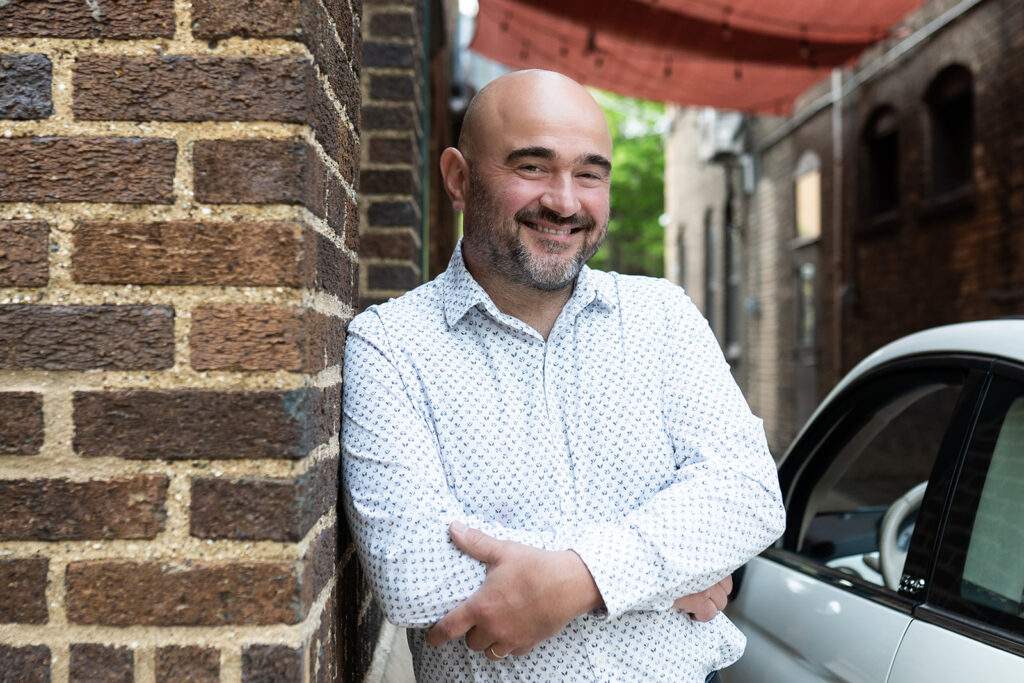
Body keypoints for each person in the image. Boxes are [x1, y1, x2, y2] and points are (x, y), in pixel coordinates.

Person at [342, 69, 786, 682]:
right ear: (459, 179)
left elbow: (749, 498)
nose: (565, 201)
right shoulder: (391, 344)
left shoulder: (662, 316)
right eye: (532, 166)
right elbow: (415, 576)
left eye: (589, 173)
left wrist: (580, 578)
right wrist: (673, 568)